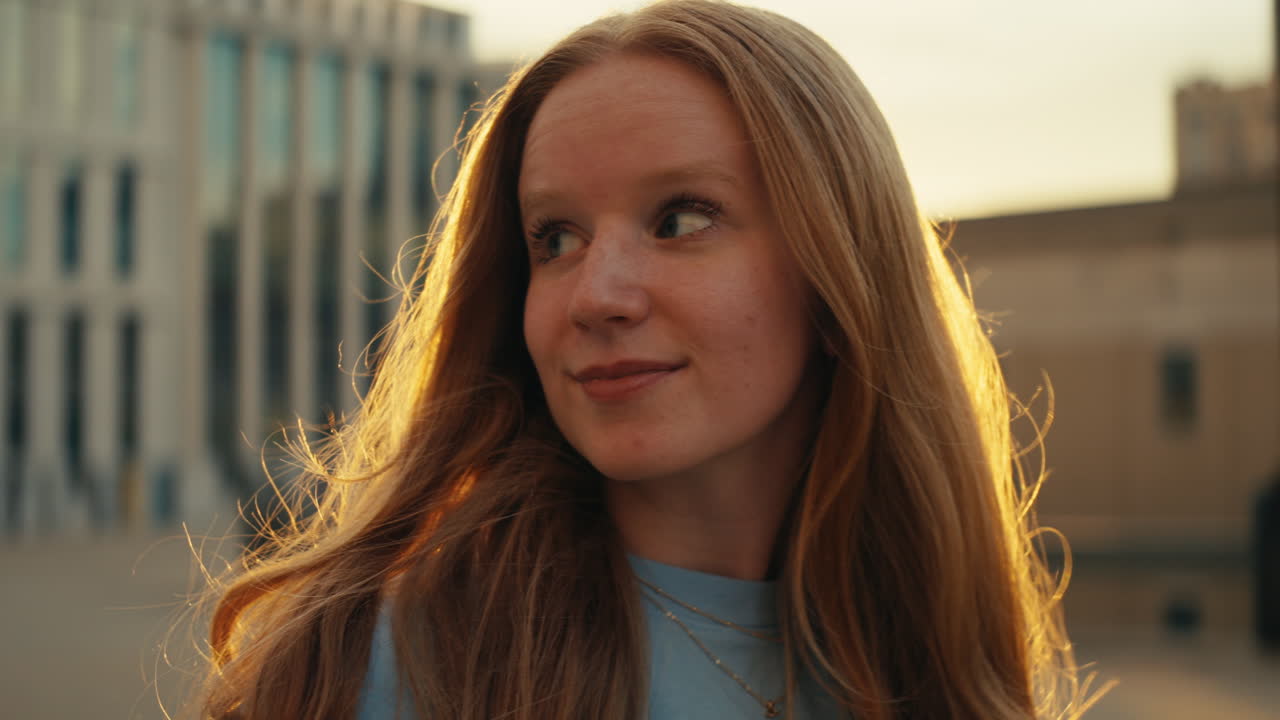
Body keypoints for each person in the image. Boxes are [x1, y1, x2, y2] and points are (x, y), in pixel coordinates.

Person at [197, 1, 1100, 718]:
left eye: (679, 220)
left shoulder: (934, 661)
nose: (597, 294)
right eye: (554, 237)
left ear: (837, 279)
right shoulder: (397, 669)